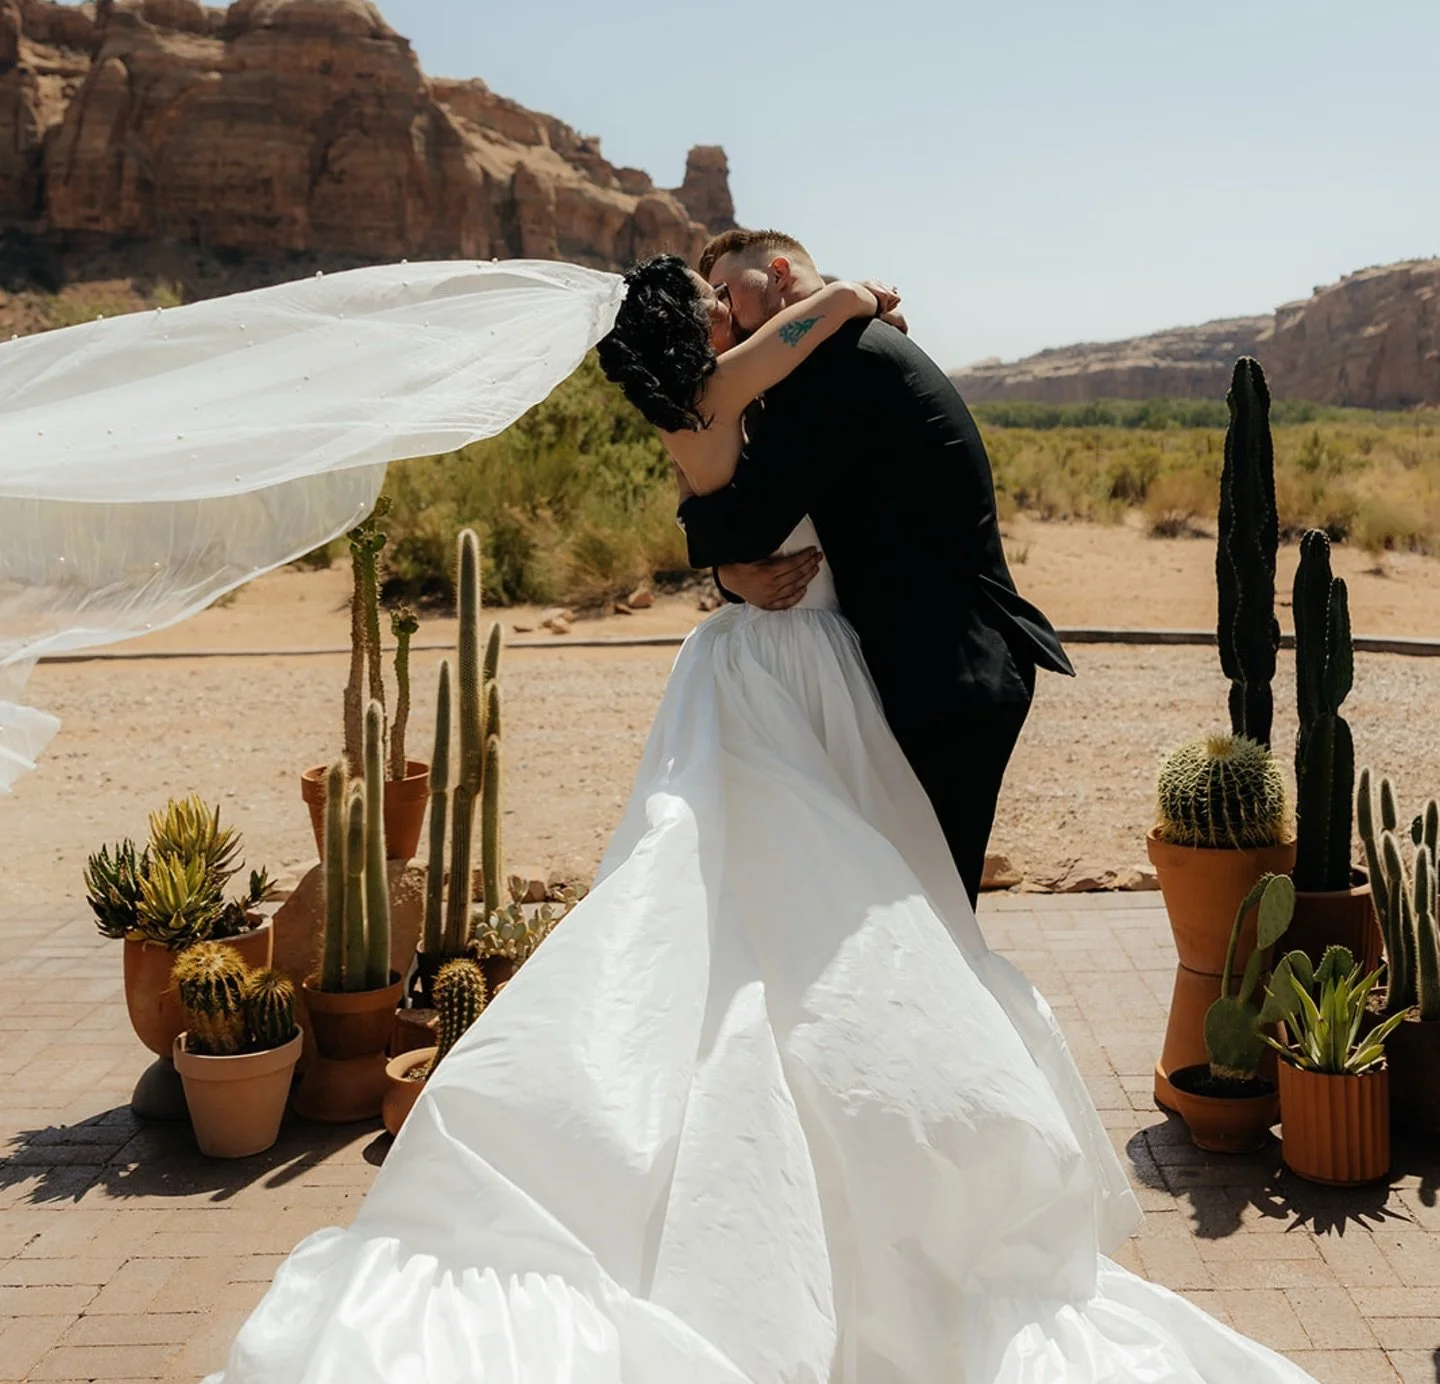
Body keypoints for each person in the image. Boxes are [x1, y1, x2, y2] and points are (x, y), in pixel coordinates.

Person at [207, 255, 1317, 1384]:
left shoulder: (756, 383)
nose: (734, 298)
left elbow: (742, 498)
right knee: (857, 912)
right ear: (698, 323)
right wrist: (831, 309)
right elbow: (740, 489)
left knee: (828, 903)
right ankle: (889, 1153)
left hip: (844, 667)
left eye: (744, 284)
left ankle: (858, 1122)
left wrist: (731, 545)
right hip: (809, 671)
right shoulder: (759, 372)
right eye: (715, 292)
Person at [679, 227, 1071, 905]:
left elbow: (749, 520)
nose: (721, 310)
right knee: (901, 918)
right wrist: (732, 575)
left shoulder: (839, 363)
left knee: (928, 919)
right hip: (919, 671)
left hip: (948, 677)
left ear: (775, 273)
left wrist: (710, 545)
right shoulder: (825, 357)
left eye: (725, 289)